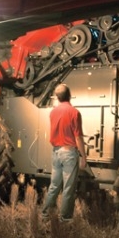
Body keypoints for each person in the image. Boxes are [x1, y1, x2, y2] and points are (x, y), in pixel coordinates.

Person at [42, 83, 86, 222]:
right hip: (69, 153)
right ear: (70, 95)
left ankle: (45, 215)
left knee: (54, 186)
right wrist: (83, 157)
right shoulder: (74, 112)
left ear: (57, 97)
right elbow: (78, 137)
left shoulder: (53, 112)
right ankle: (65, 219)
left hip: (56, 152)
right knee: (68, 188)